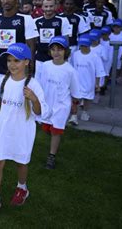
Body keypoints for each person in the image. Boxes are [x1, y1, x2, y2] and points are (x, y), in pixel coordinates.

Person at [0, 43, 48, 215]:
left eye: (16, 60)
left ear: (26, 62)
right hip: (3, 129)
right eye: (9, 60)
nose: (12, 64)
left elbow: (41, 112)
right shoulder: (3, 81)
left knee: (21, 162)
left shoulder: (33, 84)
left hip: (22, 131)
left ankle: (22, 187)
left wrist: (33, 99)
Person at [38, 36, 80, 169]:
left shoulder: (70, 70)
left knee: (56, 131)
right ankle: (53, 141)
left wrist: (75, 105)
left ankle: (51, 156)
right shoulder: (45, 66)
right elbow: (39, 83)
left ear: (65, 51)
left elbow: (75, 90)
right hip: (47, 104)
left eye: (60, 50)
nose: (56, 52)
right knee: (47, 128)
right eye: (53, 49)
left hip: (61, 105)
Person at [0, 0, 39, 87]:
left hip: (18, 71)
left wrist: (29, 68)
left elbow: (31, 47)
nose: (6, 1)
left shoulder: (26, 19)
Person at [69, 35, 106, 124]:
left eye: (84, 46)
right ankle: (74, 116)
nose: (82, 47)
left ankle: (85, 112)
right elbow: (71, 68)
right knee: (75, 99)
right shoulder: (75, 54)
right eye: (81, 45)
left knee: (87, 99)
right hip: (77, 82)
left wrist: (97, 84)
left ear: (89, 45)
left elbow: (99, 72)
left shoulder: (95, 57)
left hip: (89, 83)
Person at [33, 0, 71, 79]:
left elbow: (66, 41)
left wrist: (65, 59)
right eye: (46, 6)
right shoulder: (36, 21)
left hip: (56, 59)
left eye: (51, 6)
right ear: (42, 7)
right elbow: (34, 41)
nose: (48, 9)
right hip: (40, 59)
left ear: (56, 7)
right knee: (40, 84)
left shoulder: (63, 21)